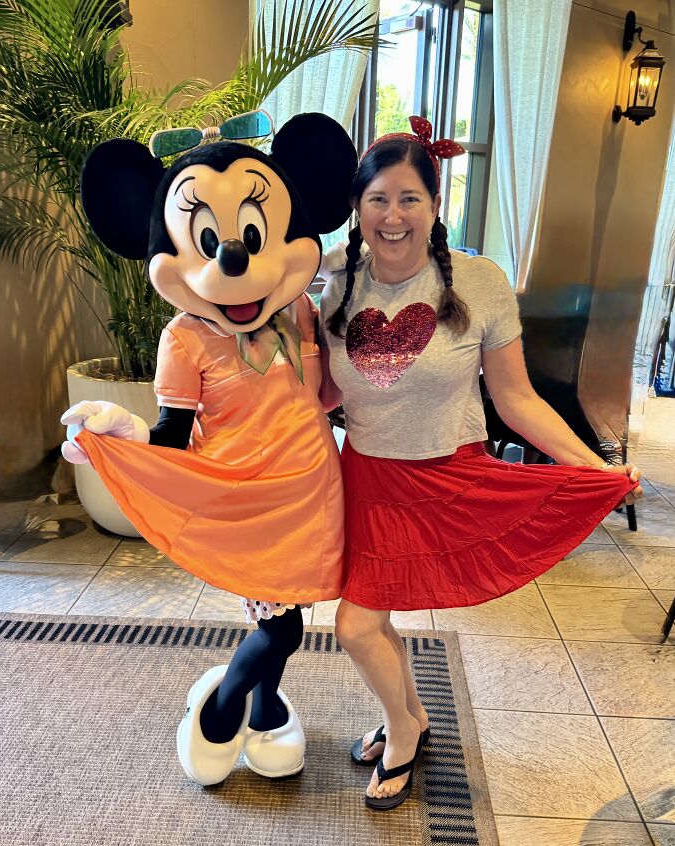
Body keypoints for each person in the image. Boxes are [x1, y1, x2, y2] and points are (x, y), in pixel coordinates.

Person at [318, 116, 642, 811]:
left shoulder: (480, 281)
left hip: (445, 476)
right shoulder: (339, 278)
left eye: (409, 198)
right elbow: (325, 392)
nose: (392, 215)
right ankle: (413, 716)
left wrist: (592, 469)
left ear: (436, 205)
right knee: (372, 621)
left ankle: (403, 732)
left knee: (354, 625)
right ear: (358, 207)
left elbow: (518, 400)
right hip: (365, 477)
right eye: (377, 199)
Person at [61, 112, 357, 787]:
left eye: (253, 235)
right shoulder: (183, 339)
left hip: (310, 498)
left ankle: (266, 706)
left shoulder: (300, 312)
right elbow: (171, 432)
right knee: (278, 629)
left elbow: (323, 397)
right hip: (241, 502)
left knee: (289, 614)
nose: (235, 259)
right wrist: (122, 436)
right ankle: (223, 712)